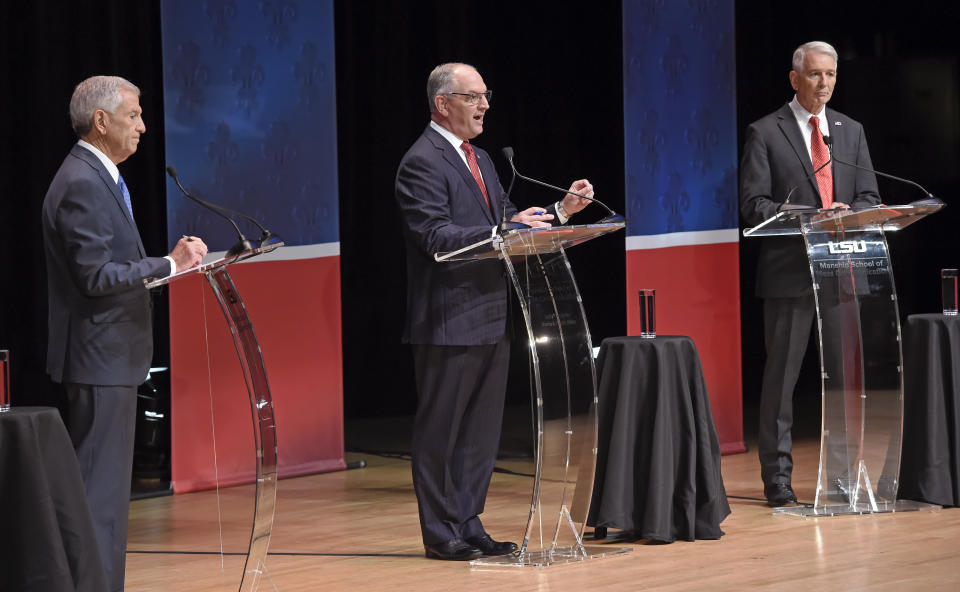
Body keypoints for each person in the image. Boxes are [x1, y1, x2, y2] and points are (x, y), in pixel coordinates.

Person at [395, 62, 594, 560]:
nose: (485, 105)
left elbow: (506, 222)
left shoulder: (480, 158)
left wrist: (562, 213)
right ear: (443, 104)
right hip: (448, 319)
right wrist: (501, 232)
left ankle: (469, 522)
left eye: (486, 96)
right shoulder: (421, 161)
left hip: (491, 313)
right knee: (443, 429)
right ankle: (442, 533)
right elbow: (435, 238)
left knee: (480, 431)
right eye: (473, 96)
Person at [41, 75, 207, 590]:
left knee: (109, 494)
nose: (142, 125)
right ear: (101, 121)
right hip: (98, 358)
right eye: (133, 115)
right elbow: (93, 277)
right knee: (98, 493)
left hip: (110, 356)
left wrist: (166, 268)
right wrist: (167, 265)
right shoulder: (82, 183)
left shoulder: (100, 176)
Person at [740, 42, 880, 506]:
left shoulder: (850, 129)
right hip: (789, 275)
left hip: (842, 273)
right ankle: (777, 480)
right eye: (816, 75)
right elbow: (753, 205)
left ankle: (841, 476)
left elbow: (868, 197)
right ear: (795, 78)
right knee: (781, 380)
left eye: (832, 75)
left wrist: (848, 211)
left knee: (843, 379)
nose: (825, 84)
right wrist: (809, 215)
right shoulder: (765, 132)